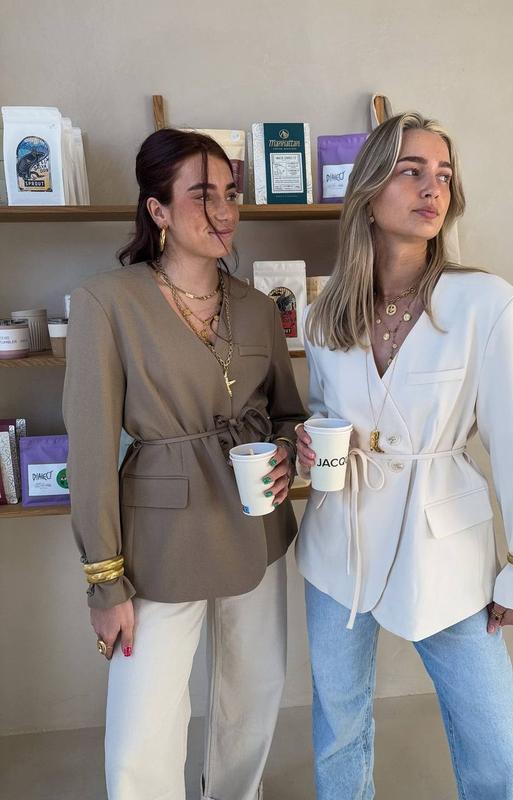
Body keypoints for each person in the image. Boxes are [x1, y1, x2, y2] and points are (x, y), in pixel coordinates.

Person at [295, 111, 513, 800]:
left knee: (497, 744)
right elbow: (323, 412)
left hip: (444, 539)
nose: (432, 188)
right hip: (339, 538)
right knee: (339, 724)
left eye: (442, 175)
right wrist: (311, 439)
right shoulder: (324, 314)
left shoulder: (487, 304)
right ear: (369, 192)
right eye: (411, 172)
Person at [63, 128, 305, 800]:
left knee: (252, 694)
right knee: (143, 724)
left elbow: (286, 414)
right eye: (202, 195)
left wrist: (286, 452)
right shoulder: (106, 302)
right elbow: (90, 451)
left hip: (255, 526)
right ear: (158, 209)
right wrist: (104, 582)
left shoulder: (258, 308)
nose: (224, 211)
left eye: (230, 194)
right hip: (161, 537)